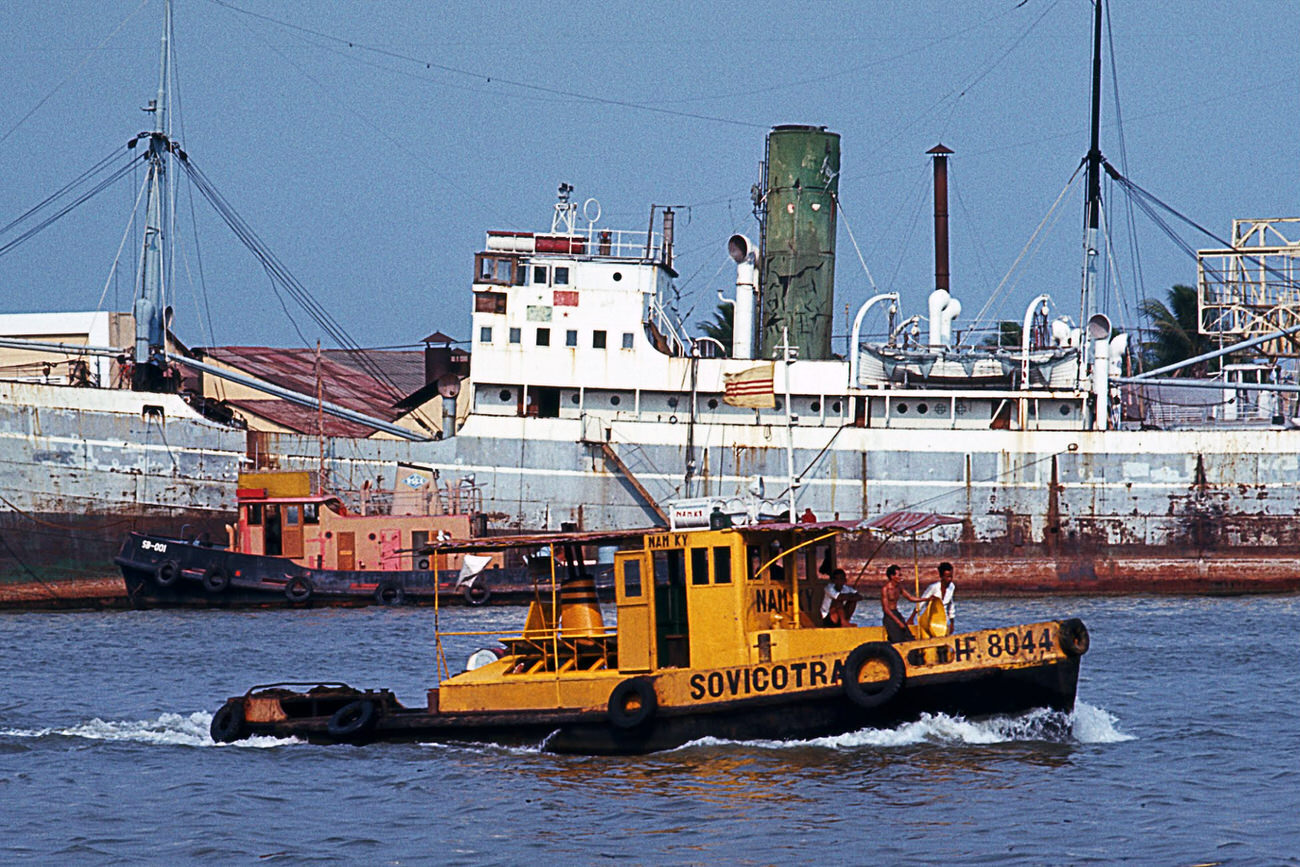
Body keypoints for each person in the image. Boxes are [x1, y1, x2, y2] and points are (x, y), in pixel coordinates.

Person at [881, 564, 921, 643]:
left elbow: (910, 598)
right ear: (892, 576)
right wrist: (898, 622)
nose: (901, 577)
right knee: (897, 640)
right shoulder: (885, 589)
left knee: (909, 637)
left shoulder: (899, 587)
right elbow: (886, 609)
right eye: (899, 575)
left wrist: (927, 599)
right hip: (889, 616)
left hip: (896, 613)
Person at [916, 561, 956, 632]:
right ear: (941, 576)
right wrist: (912, 616)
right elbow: (921, 602)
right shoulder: (933, 587)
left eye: (951, 576)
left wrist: (952, 622)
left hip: (943, 621)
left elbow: (951, 604)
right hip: (931, 620)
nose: (949, 579)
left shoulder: (952, 587)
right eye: (947, 577)